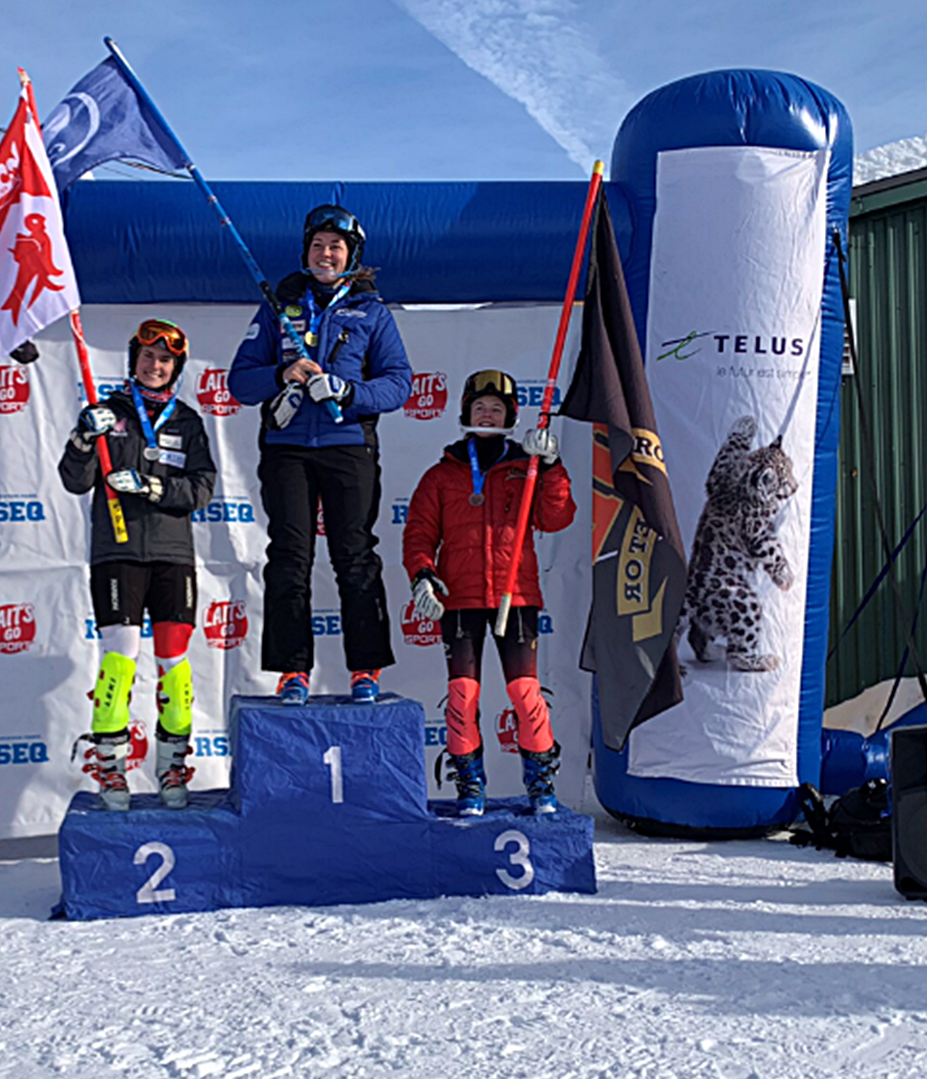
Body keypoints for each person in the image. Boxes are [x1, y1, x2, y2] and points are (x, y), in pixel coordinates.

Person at [228, 204, 413, 705]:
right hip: (287, 449)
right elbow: (239, 381)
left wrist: (348, 391)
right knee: (289, 558)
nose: (325, 253)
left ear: (351, 255)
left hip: (347, 445)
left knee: (354, 557)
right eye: (318, 245)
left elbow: (398, 384)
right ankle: (292, 671)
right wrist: (280, 376)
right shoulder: (278, 305)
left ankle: (366, 668)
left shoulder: (372, 312)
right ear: (306, 251)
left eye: (336, 246)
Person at [59, 319, 218, 810]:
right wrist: (85, 437)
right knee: (119, 661)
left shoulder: (186, 419)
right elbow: (74, 480)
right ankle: (111, 768)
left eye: (165, 360)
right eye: (147, 357)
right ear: (134, 360)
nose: (155, 366)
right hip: (118, 552)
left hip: (172, 554)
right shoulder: (106, 411)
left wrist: (154, 488)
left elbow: (202, 488)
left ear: (176, 368)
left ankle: (172, 766)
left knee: (175, 666)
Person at [401, 369, 575, 815]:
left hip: (514, 596)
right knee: (462, 694)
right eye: (480, 407)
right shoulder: (441, 475)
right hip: (458, 598)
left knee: (524, 693)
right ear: (464, 412)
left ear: (511, 415)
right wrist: (422, 575)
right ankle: (470, 784)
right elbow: (419, 533)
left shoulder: (527, 466)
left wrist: (551, 467)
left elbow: (557, 518)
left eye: (496, 408)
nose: (487, 413)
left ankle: (540, 782)